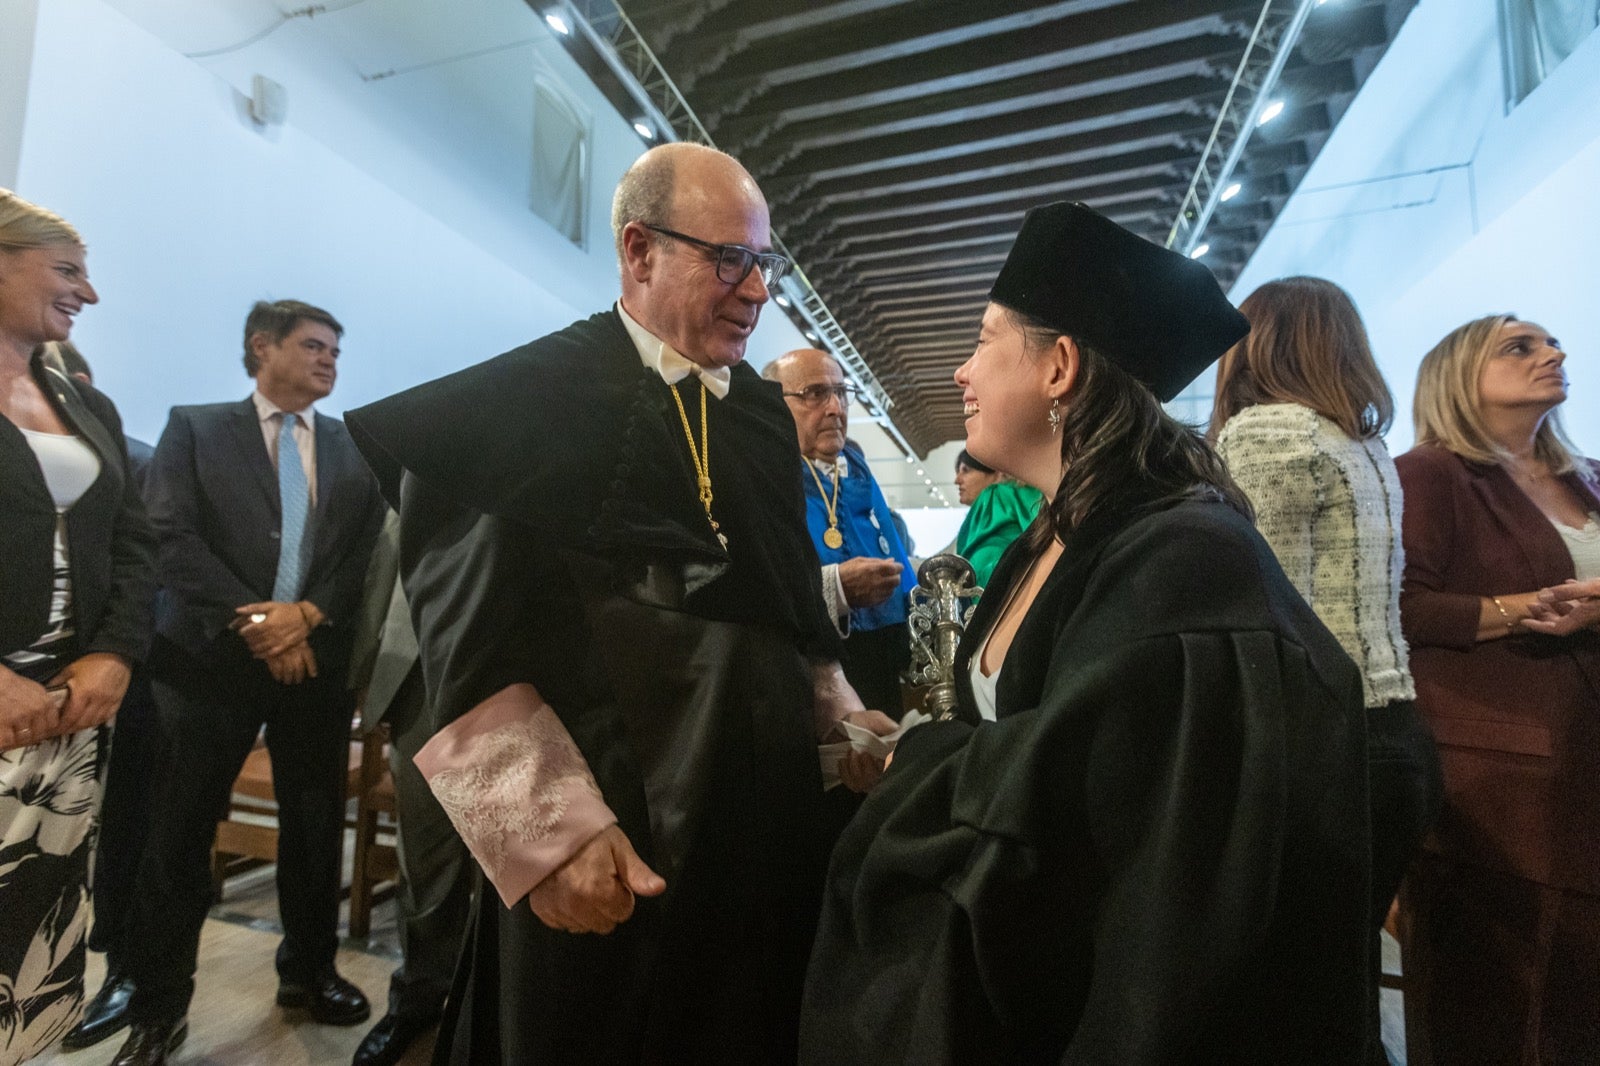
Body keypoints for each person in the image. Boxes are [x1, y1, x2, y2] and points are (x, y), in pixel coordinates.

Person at [344, 142, 892, 1065]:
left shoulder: (760, 417)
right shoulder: (526, 403)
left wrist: (837, 708)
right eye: (730, 260)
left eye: (765, 264)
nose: (756, 291)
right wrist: (544, 839)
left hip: (758, 837)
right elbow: (466, 646)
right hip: (611, 831)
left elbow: (788, 605)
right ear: (639, 251)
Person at [801, 201, 1375, 1064]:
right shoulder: (1055, 531)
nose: (960, 372)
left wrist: (912, 766)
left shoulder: (1184, 556)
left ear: (1060, 366)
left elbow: (1121, 822)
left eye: (984, 341)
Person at [110, 299, 385, 1066]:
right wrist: (259, 625)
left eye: (336, 348)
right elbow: (170, 536)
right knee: (179, 833)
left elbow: (364, 553)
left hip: (313, 667)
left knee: (313, 829)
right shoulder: (195, 428)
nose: (330, 359)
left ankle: (310, 974)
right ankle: (158, 1005)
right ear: (261, 348)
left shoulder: (349, 445)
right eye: (313, 345)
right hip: (207, 665)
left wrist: (308, 612)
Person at [1210, 275, 1442, 1063]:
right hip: (1394, 732)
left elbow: (1270, 612)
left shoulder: (1265, 435)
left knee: (1296, 1006)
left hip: (1320, 745)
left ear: (1254, 344)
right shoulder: (1361, 445)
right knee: (1342, 994)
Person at [1394, 314, 1600, 1064]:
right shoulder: (1430, 473)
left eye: (1551, 343)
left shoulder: (1589, 475)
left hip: (1584, 759)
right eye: (1521, 346)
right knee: (1500, 1007)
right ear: (1457, 375)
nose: (1553, 353)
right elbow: (1404, 607)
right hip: (1499, 779)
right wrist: (1523, 608)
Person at [0, 190, 156, 1063]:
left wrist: (113, 652)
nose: (88, 295)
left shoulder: (85, 404)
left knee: (30, 941)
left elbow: (135, 538)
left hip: (63, 722)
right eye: (67, 272)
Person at [345, 511, 473, 1066]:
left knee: (534, 858)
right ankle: (418, 1001)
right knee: (426, 867)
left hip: (540, 682)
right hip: (424, 684)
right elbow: (386, 567)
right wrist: (365, 681)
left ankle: (494, 1016)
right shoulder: (423, 434)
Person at [765, 348, 916, 712]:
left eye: (841, 393)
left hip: (881, 655)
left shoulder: (858, 469)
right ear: (772, 404)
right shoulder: (763, 474)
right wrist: (833, 587)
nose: (836, 408)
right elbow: (759, 589)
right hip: (804, 671)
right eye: (815, 394)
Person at [953, 448, 1040, 587]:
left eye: (966, 470)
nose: (957, 480)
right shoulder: (1026, 499)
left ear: (996, 470)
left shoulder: (997, 496)